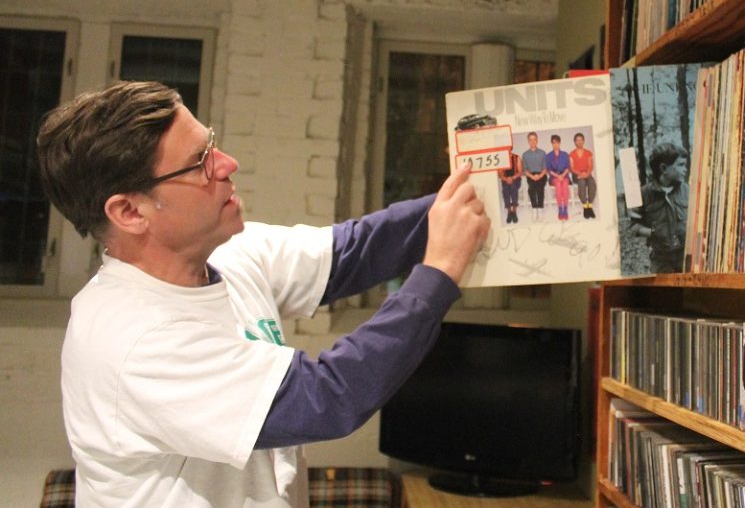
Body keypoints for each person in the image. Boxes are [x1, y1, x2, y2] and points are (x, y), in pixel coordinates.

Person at [35, 80, 489, 508]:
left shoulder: (228, 252)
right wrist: (440, 270)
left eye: (210, 144)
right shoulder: (133, 339)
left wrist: (482, 187)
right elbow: (329, 398)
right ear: (130, 210)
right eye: (199, 163)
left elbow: (354, 251)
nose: (227, 163)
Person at [628, 142, 688, 273]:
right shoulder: (642, 194)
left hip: (687, 258)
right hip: (661, 260)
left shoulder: (688, 191)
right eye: (681, 165)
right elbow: (634, 227)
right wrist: (653, 232)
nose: (685, 169)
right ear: (664, 168)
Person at [521, 131, 547, 222]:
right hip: (530, 175)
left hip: (542, 175)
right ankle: (534, 209)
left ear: (537, 140)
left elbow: (545, 168)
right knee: (531, 189)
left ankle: (540, 210)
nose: (532, 142)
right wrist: (532, 176)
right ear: (528, 141)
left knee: (540, 188)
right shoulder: (525, 154)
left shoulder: (543, 153)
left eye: (534, 139)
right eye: (530, 140)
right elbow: (525, 170)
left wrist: (539, 176)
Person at [569, 132, 596, 219]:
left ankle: (590, 205)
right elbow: (572, 168)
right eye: (577, 140)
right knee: (581, 182)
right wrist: (580, 174)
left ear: (583, 141)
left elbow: (590, 166)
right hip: (576, 174)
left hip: (587, 173)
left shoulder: (588, 153)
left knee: (592, 182)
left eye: (581, 140)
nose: (579, 142)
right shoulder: (572, 154)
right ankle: (585, 206)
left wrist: (586, 174)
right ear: (575, 142)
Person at [545, 134, 571, 221]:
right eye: (553, 143)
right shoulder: (548, 156)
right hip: (554, 177)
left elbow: (568, 167)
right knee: (559, 186)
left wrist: (562, 175)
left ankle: (565, 208)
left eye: (557, 143)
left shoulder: (565, 154)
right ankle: (560, 208)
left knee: (565, 186)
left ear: (560, 143)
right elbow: (548, 169)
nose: (555, 145)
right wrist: (558, 176)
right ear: (551, 144)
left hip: (564, 175)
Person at [498, 149, 523, 224]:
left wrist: (512, 178)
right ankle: (509, 211)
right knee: (505, 189)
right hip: (505, 180)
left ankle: (514, 210)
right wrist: (506, 179)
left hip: (515, 179)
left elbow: (520, 172)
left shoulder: (516, 157)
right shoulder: (501, 158)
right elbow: (500, 174)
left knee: (513, 187)